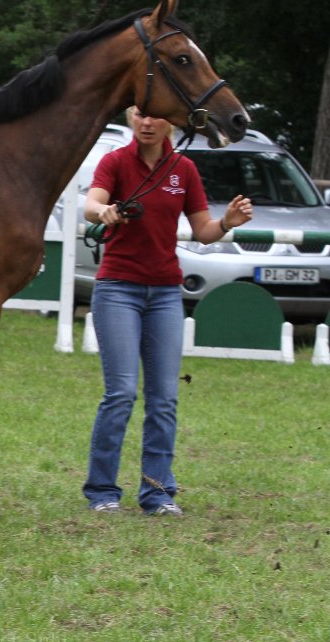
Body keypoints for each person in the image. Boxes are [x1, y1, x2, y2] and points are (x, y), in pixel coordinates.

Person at [82, 106, 252, 516]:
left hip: (164, 295)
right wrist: (102, 212)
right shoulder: (114, 162)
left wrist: (226, 222)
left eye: (155, 116)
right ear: (131, 118)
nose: (146, 122)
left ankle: (157, 494)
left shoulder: (184, 170)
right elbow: (92, 203)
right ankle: (102, 492)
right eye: (140, 115)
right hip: (118, 289)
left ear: (170, 123)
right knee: (121, 393)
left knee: (164, 398)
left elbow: (202, 231)